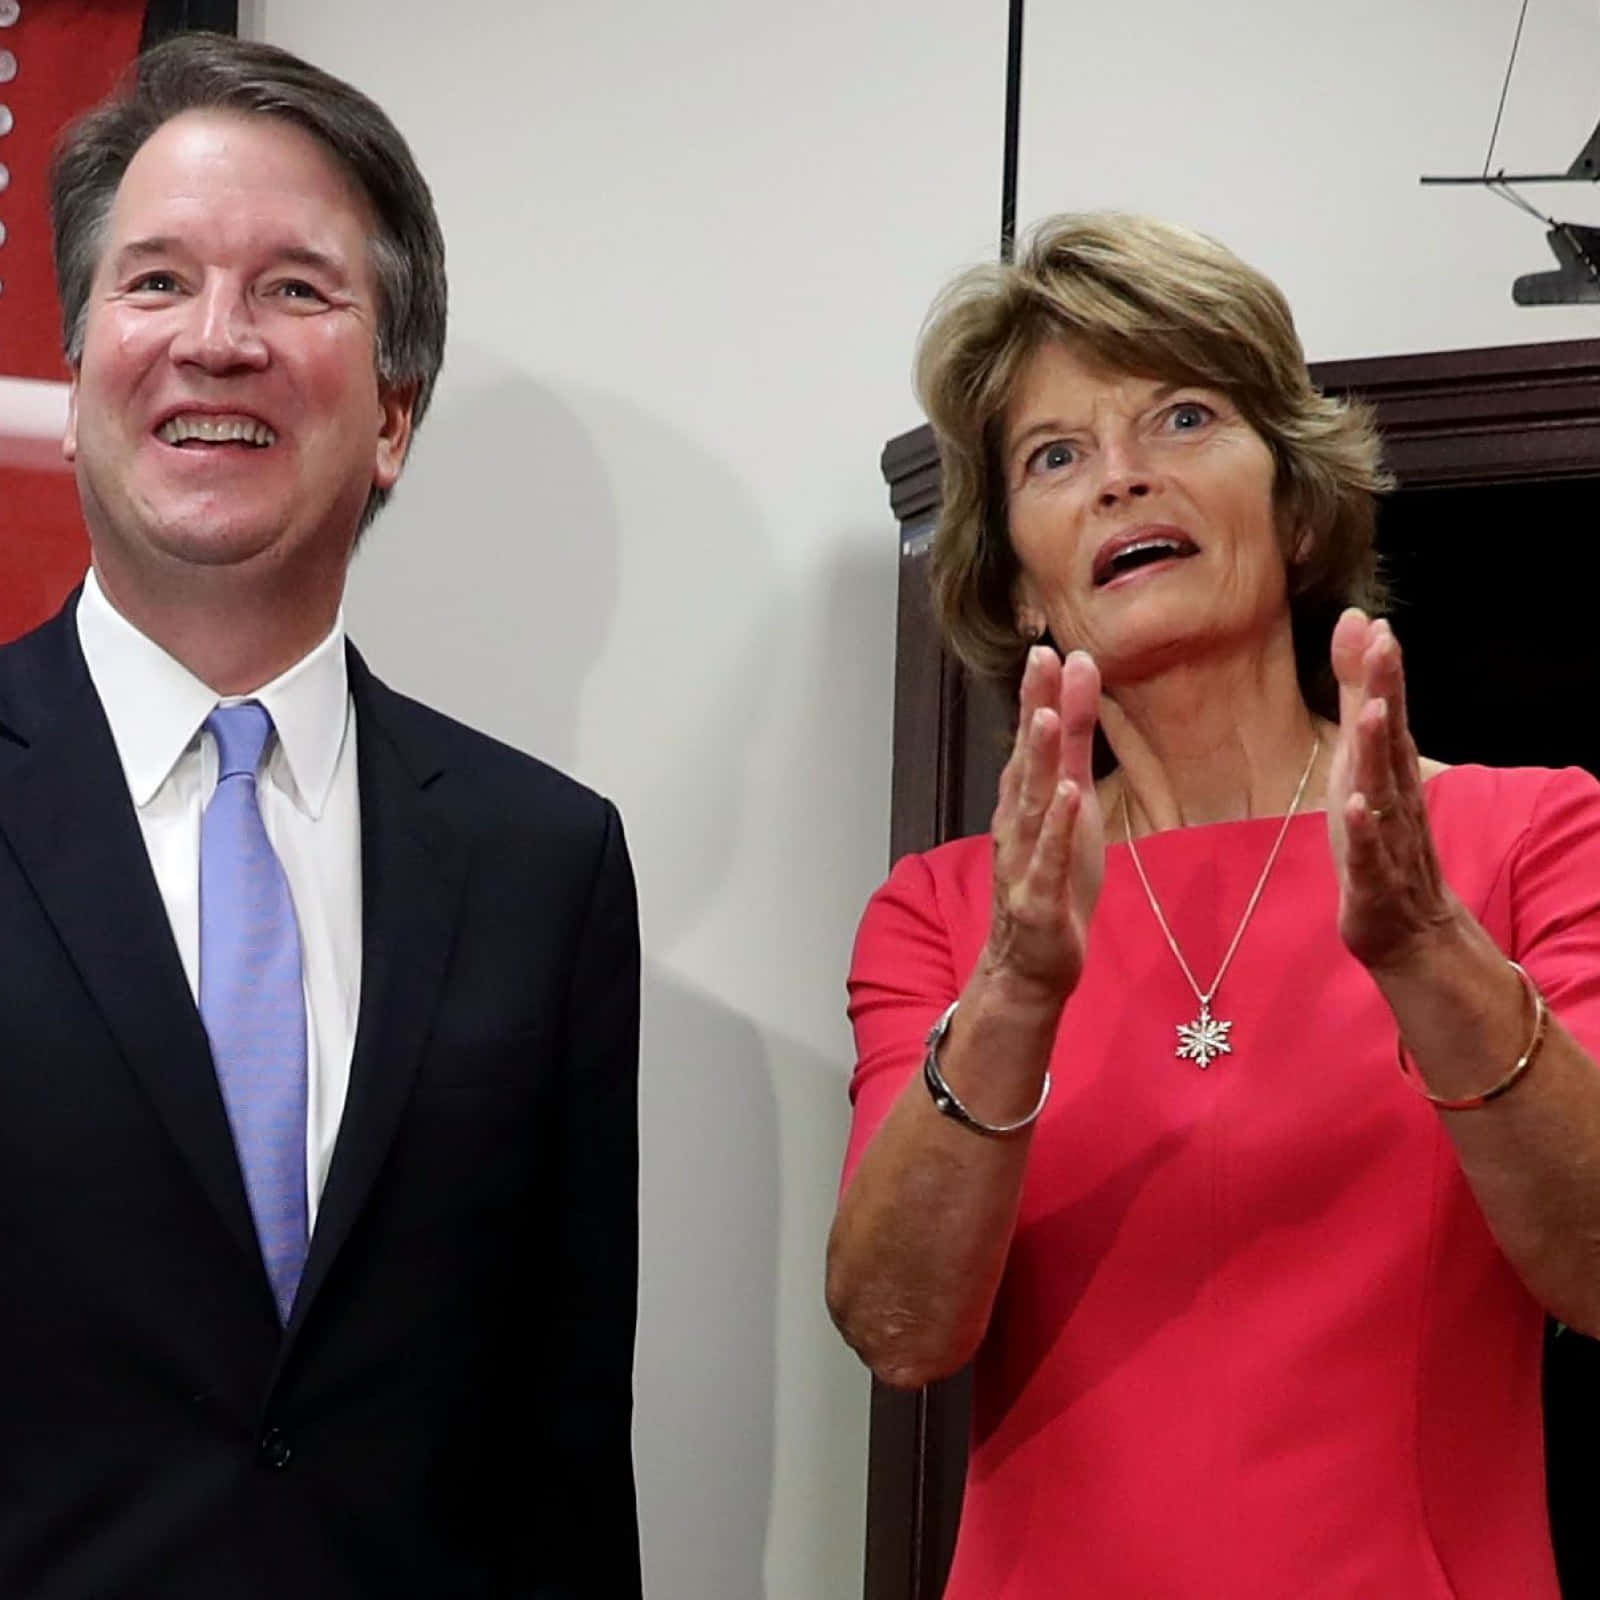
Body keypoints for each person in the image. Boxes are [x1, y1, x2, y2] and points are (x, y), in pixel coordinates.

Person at [826, 212, 1600, 1598]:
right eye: (1055, 455)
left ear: (1297, 503)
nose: (1123, 479)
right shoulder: (947, 913)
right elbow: (898, 1327)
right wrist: (1011, 994)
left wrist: (1427, 949)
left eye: (1182, 416)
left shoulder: (1530, 832)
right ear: (1016, 577)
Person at [0, 34, 641, 1598]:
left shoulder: (542, 865)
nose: (217, 342)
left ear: (395, 415)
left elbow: (563, 1466)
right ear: (75, 379)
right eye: (154, 284)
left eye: (295, 290)